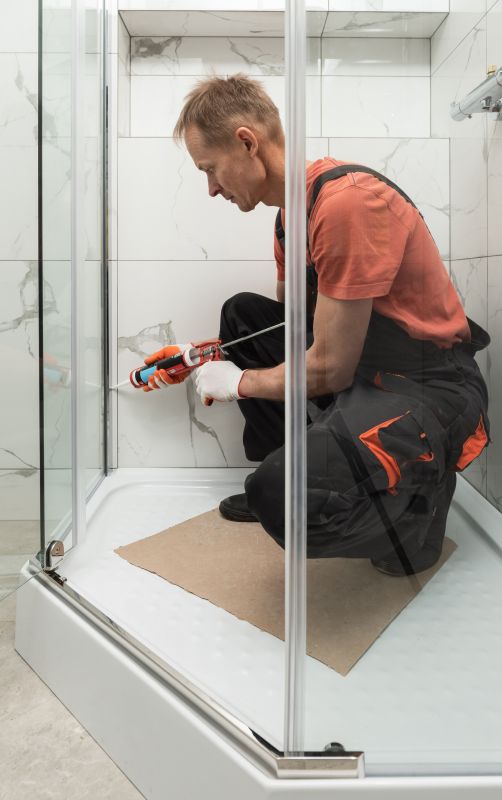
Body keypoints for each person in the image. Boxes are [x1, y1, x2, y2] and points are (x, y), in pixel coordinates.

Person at [145, 74, 490, 576]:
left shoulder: (346, 202)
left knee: (277, 495)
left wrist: (239, 383)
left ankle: (415, 511)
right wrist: (209, 353)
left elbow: (327, 367)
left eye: (211, 170)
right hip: (366, 366)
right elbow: (295, 323)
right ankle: (293, 457)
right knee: (242, 314)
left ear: (247, 142)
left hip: (425, 385)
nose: (212, 188)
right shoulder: (290, 217)